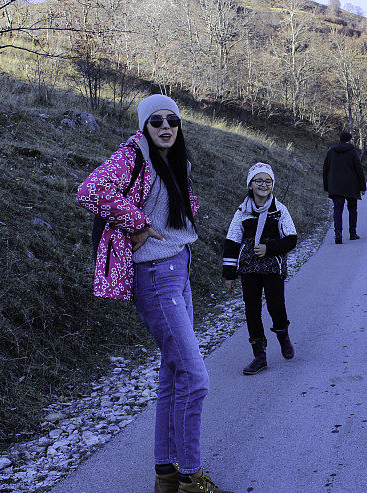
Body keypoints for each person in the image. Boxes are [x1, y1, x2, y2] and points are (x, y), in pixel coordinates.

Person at [77, 94, 230, 493]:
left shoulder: (175, 161)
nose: (166, 127)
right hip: (155, 274)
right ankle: (191, 478)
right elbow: (90, 189)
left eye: (173, 122)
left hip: (179, 267)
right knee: (196, 379)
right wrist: (136, 221)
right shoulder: (133, 154)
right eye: (157, 121)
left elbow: (178, 211)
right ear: (144, 125)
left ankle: (166, 475)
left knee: (174, 374)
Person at [222, 163, 298, 375]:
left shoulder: (279, 210)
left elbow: (292, 239)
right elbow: (232, 242)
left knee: (276, 307)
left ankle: (283, 336)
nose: (263, 185)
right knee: (252, 310)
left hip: (273, 268)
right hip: (248, 270)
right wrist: (229, 274)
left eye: (268, 181)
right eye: (259, 181)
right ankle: (259, 356)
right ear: (250, 185)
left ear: (272, 184)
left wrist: (270, 248)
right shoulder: (242, 212)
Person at [323, 131, 367, 244]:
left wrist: (327, 186)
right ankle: (352, 233)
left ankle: (338, 233)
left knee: (338, 210)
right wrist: (362, 187)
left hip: (336, 185)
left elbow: (325, 169)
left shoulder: (331, 151)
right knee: (352, 209)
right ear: (350, 140)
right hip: (351, 185)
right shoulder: (352, 151)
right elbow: (359, 169)